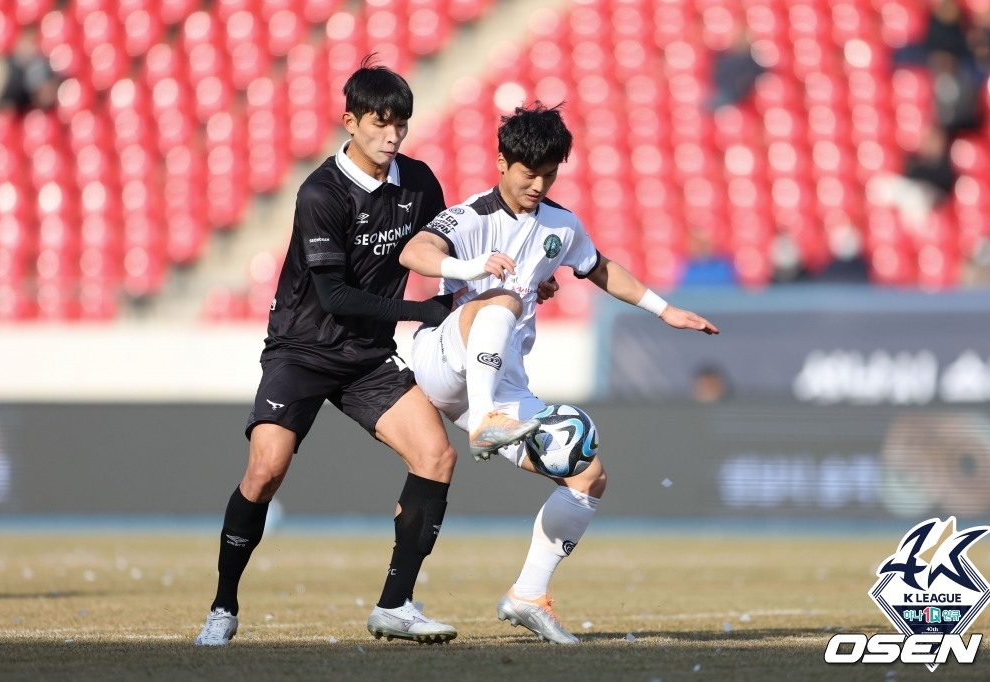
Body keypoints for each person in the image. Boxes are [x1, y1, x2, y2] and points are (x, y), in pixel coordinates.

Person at [399, 103, 719, 644]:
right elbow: (416, 250)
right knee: (498, 296)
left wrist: (665, 310)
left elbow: (600, 267)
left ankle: (527, 594)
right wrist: (468, 268)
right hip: (442, 360)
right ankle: (487, 420)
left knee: (589, 476)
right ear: (502, 162)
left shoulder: (561, 225)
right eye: (530, 173)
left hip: (500, 383)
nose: (539, 184)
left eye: (549, 174)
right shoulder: (471, 216)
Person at [195, 60, 471, 646]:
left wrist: (500, 283)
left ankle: (395, 606)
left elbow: (449, 250)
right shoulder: (320, 193)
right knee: (266, 470)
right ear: (350, 121)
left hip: (368, 357)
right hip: (302, 349)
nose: (393, 134)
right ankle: (222, 609)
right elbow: (334, 294)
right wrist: (425, 313)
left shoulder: (420, 184)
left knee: (436, 457)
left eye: (401, 122)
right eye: (381, 121)